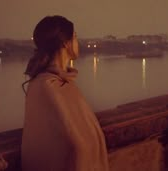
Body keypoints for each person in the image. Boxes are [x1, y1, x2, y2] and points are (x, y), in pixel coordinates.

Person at [21, 15, 109, 171]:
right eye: (75, 37)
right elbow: (70, 142)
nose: (77, 42)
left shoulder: (64, 82)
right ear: (65, 43)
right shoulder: (46, 86)